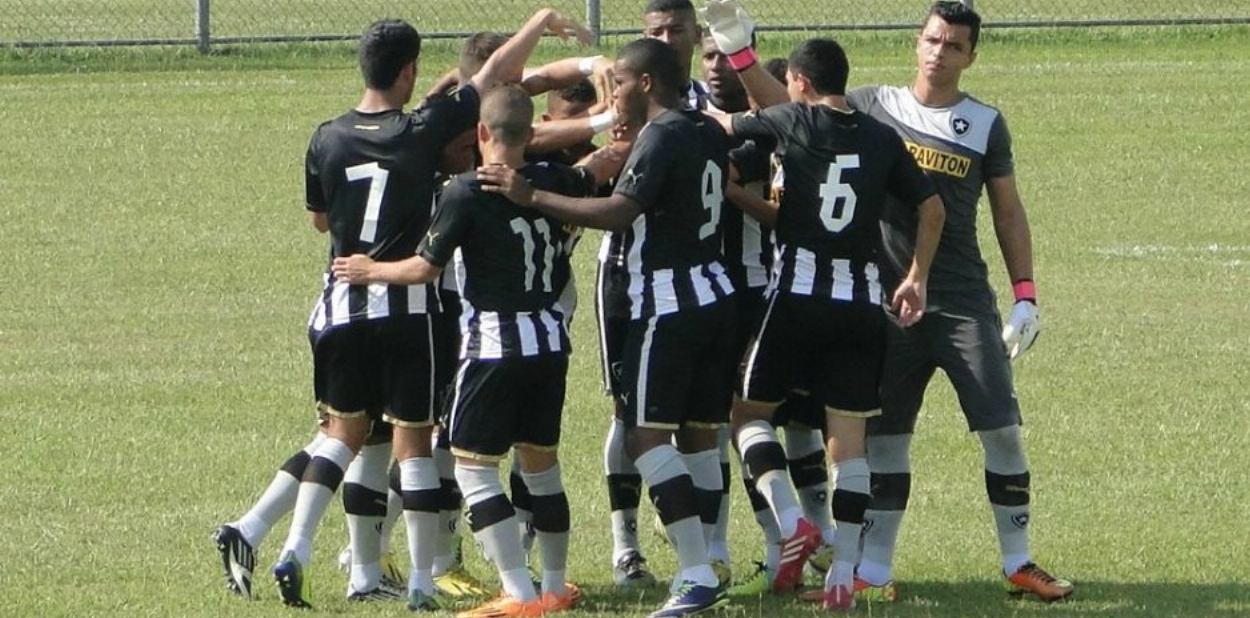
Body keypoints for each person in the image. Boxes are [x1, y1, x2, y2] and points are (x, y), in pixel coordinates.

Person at [269, 10, 588, 610]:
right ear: (409, 71)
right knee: (437, 451)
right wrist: (542, 22)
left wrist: (367, 265)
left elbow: (321, 221)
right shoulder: (432, 136)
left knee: (353, 440)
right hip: (468, 326)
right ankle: (439, 580)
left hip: (350, 307)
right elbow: (498, 75)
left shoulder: (327, 136)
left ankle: (307, 548)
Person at [478, 38, 735, 618]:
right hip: (715, 294)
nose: (612, 91)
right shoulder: (705, 128)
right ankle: (710, 559)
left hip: (667, 302)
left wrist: (533, 195)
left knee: (646, 438)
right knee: (699, 434)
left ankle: (696, 574)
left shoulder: (662, 136)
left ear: (645, 83)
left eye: (618, 81)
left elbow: (620, 212)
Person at [332, 83, 609, 618]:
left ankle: (519, 593)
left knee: (473, 470)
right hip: (550, 341)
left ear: (481, 132)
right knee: (542, 470)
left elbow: (425, 268)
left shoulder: (465, 191)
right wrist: (614, 127)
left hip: (493, 346)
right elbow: (597, 168)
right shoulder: (551, 180)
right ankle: (554, 586)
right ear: (531, 135)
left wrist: (370, 269)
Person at [842, 1, 1069, 603]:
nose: (939, 54)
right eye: (933, 40)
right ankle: (875, 572)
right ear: (916, 42)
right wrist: (740, 55)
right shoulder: (873, 106)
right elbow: (799, 110)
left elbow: (1008, 212)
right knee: (886, 440)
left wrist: (1025, 297)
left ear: (971, 57)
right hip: (890, 306)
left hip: (964, 304)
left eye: (953, 46)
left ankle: (1018, 562)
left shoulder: (985, 123)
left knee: (1003, 432)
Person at [710, 32, 946, 608]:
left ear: (799, 82)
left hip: (795, 296)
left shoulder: (794, 119)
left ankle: (792, 521)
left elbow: (724, 124)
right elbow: (932, 207)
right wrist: (916, 277)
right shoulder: (882, 136)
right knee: (849, 445)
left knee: (746, 415)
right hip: (861, 304)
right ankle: (843, 574)